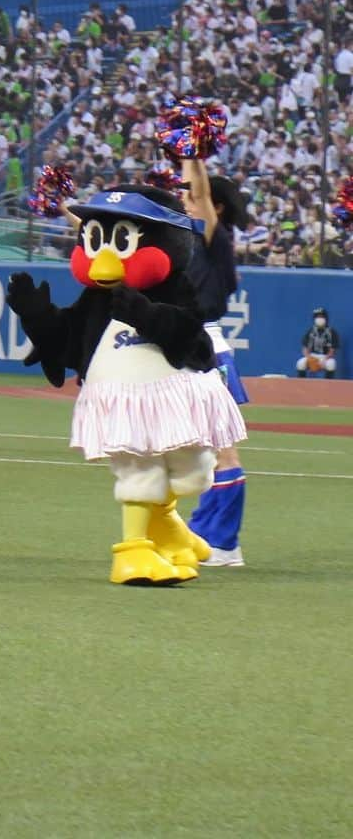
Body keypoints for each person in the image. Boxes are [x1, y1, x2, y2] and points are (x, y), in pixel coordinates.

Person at [181, 160, 252, 567]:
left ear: (216, 207)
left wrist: (193, 150)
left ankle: (223, 544)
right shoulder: (196, 242)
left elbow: (203, 193)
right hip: (193, 347)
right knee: (207, 452)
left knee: (224, 454)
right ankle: (209, 535)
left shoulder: (215, 237)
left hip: (208, 350)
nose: (186, 201)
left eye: (191, 196)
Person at [296, 307, 339, 378]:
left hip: (325, 357)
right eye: (317, 317)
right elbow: (305, 348)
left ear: (326, 318)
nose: (319, 319)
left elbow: (332, 350)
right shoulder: (310, 332)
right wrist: (309, 358)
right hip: (312, 356)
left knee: (331, 364)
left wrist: (325, 359)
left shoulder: (332, 332)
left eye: (321, 317)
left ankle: (328, 385)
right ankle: (301, 384)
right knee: (300, 363)